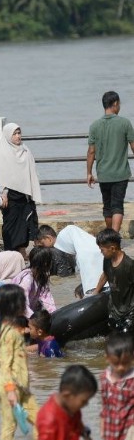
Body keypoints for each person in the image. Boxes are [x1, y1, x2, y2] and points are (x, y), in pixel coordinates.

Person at [31, 365, 98, 440]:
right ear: (67, 395)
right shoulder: (50, 419)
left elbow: (78, 422)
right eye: (84, 401)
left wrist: (88, 439)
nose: (86, 404)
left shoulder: (71, 406)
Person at [0, 123, 42, 256]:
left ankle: (21, 250)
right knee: (11, 224)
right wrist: (2, 194)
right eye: (14, 134)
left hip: (25, 195)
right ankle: (10, 252)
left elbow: (31, 172)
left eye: (19, 133)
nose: (18, 136)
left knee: (25, 224)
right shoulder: (2, 152)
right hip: (10, 196)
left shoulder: (25, 150)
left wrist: (32, 191)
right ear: (8, 135)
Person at [0, 284, 38, 440]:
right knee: (9, 428)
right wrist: (11, 391)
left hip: (21, 386)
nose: (25, 304)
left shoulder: (13, 330)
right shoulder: (9, 334)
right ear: (14, 305)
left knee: (41, 420)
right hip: (10, 387)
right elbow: (5, 365)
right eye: (22, 301)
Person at [87, 91, 134, 233]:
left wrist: (89, 173)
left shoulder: (94, 126)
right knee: (117, 206)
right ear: (115, 104)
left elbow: (91, 151)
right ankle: (114, 237)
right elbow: (133, 146)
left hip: (103, 174)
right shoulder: (125, 123)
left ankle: (110, 238)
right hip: (120, 173)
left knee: (107, 207)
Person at [98, 331, 134, 440]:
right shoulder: (104, 378)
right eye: (116, 363)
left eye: (125, 363)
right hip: (110, 429)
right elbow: (105, 404)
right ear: (107, 358)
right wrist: (102, 424)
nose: (120, 368)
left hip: (130, 431)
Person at [95, 228, 134, 333]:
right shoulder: (107, 259)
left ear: (112, 248)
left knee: (126, 338)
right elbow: (105, 275)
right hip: (114, 309)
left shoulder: (129, 265)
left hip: (129, 311)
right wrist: (96, 291)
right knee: (113, 333)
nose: (101, 252)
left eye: (102, 249)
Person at [8, 247, 57, 318]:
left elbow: (47, 298)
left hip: (30, 311)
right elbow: (22, 303)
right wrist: (32, 318)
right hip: (17, 314)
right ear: (46, 263)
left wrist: (54, 314)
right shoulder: (27, 279)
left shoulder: (41, 276)